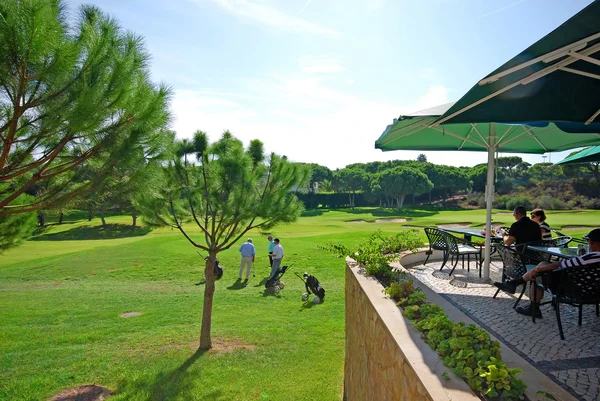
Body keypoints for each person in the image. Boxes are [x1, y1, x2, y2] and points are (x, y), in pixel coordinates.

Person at [494, 228, 600, 318]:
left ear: (593, 242)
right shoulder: (589, 259)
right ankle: (515, 283)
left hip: (574, 291)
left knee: (538, 274)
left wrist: (538, 270)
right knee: (543, 265)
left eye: (588, 241)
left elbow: (561, 265)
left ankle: (533, 307)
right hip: (595, 292)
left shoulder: (588, 258)